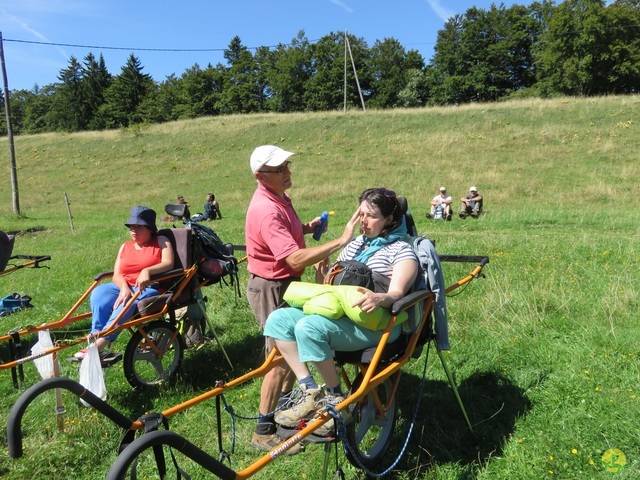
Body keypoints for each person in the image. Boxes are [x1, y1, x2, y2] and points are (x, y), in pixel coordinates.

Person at [264, 187, 418, 437]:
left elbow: (397, 293)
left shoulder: (401, 250)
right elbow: (331, 291)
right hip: (340, 317)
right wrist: (321, 275)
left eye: (371, 216)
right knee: (279, 319)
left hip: (376, 324)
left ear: (389, 219)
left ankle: (336, 399)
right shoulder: (354, 245)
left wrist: (381, 297)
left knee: (308, 327)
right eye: (361, 214)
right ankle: (310, 389)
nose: (363, 222)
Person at [245, 145, 361, 453]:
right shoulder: (267, 210)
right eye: (279, 169)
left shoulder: (280, 198)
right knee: (279, 359)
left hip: (286, 284)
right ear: (260, 176)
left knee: (290, 352)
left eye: (287, 165)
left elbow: (287, 236)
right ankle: (263, 429)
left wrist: (308, 227)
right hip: (272, 287)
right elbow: (295, 260)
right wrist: (341, 241)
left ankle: (285, 418)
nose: (287, 172)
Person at [72, 206, 174, 361]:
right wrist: (124, 288)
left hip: (147, 287)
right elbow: (117, 274)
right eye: (131, 227)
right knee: (99, 293)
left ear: (150, 228)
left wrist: (147, 271)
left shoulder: (160, 241)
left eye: (139, 227)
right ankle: (96, 333)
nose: (133, 230)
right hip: (123, 286)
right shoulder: (125, 246)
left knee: (125, 303)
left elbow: (169, 263)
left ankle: (99, 345)